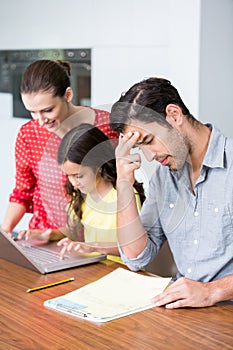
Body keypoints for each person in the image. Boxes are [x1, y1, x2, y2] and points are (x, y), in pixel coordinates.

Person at [109, 77, 233, 308]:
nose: (149, 156)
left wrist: (212, 291)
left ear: (174, 115)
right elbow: (137, 257)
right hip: (183, 313)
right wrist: (124, 183)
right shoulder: (163, 179)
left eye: (148, 140)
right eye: (139, 147)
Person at [1, 59, 118, 237]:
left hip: (92, 241)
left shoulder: (106, 127)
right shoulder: (29, 134)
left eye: (47, 110)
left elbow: (119, 185)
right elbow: (22, 191)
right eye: (32, 112)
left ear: (68, 95)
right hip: (42, 236)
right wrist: (5, 232)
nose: (40, 120)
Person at [52, 123, 145, 258]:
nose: (73, 182)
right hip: (92, 267)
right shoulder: (81, 194)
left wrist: (93, 247)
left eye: (78, 176)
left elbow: (135, 249)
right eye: (68, 175)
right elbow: (71, 230)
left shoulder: (125, 196)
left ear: (99, 166)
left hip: (120, 271)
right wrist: (50, 235)